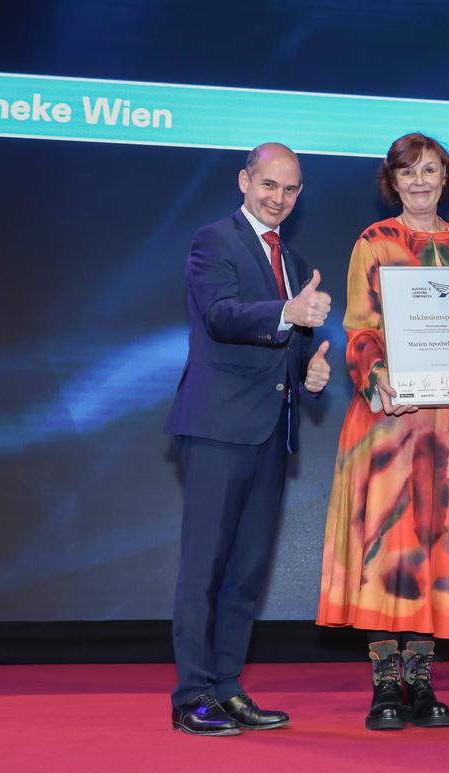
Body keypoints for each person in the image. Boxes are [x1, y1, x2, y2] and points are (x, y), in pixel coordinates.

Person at [317, 132, 449, 731]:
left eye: (431, 171)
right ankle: (384, 683)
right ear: (392, 183)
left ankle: (423, 679)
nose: (420, 182)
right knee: (386, 544)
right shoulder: (375, 241)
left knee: (436, 541)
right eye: (408, 173)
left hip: (448, 420)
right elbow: (359, 324)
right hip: (388, 414)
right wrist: (377, 374)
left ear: (446, 177)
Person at [165, 142, 333, 736]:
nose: (279, 199)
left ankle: (228, 687)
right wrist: (289, 313)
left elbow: (286, 339)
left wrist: (310, 373)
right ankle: (191, 696)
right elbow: (221, 315)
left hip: (271, 429)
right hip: (218, 425)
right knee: (205, 564)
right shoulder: (214, 239)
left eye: (290, 189)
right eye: (269, 185)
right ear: (244, 180)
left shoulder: (293, 255)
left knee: (248, 568)